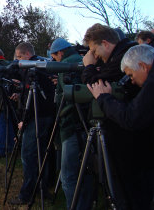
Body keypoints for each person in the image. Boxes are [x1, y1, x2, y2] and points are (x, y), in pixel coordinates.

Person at [81, 23, 147, 210]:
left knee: (129, 189)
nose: (95, 55)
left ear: (105, 43)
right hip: (129, 133)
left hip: (130, 137)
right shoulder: (122, 54)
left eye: (94, 50)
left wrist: (89, 66)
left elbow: (95, 83)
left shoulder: (125, 57)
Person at [8, 42, 55, 205]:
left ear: (27, 55)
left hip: (36, 118)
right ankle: (43, 189)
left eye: (19, 58)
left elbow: (34, 100)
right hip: (46, 116)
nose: (18, 62)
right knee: (42, 153)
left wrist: (23, 121)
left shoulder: (33, 70)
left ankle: (27, 194)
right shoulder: (43, 66)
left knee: (28, 155)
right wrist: (21, 90)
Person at [49, 38, 93, 210]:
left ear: (60, 52)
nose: (54, 61)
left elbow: (62, 98)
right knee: (87, 170)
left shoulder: (65, 66)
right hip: (89, 124)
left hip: (70, 125)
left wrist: (59, 90)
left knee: (68, 175)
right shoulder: (84, 61)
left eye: (54, 57)